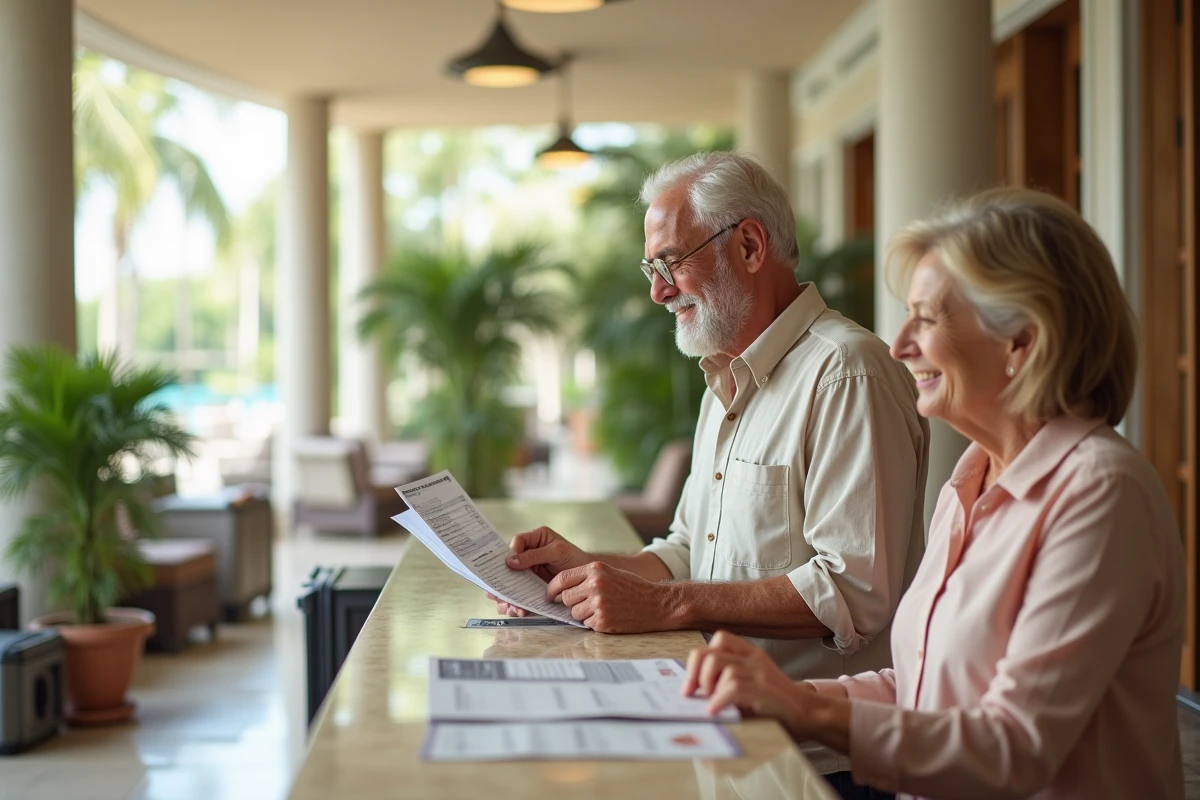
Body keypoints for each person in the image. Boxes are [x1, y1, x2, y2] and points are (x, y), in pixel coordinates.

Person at [684, 187, 1185, 800]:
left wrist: (807, 713)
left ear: (1021, 341)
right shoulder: (974, 478)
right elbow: (925, 687)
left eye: (927, 317)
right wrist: (782, 696)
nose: (899, 345)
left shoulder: (1101, 492)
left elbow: (1014, 747)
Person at [491, 152, 929, 777]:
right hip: (722, 736)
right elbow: (689, 552)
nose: (656, 291)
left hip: (816, 763)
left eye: (669, 262)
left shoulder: (846, 373)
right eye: (652, 267)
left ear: (749, 245)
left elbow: (853, 593)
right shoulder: (723, 379)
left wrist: (666, 605)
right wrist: (584, 570)